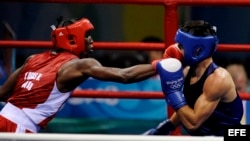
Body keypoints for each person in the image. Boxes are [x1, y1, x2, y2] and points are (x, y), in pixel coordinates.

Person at [0, 16, 183, 133]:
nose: (91, 41)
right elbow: (123, 75)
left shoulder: (33, 58)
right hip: (19, 129)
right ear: (73, 38)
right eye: (87, 35)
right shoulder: (79, 65)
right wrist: (159, 65)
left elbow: (3, 94)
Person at [144, 20, 243, 136]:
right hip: (207, 136)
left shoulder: (219, 79)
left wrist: (173, 93)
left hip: (230, 135)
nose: (176, 50)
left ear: (197, 50)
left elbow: (192, 123)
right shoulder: (187, 72)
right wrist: (163, 129)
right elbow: (188, 106)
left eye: (181, 46)